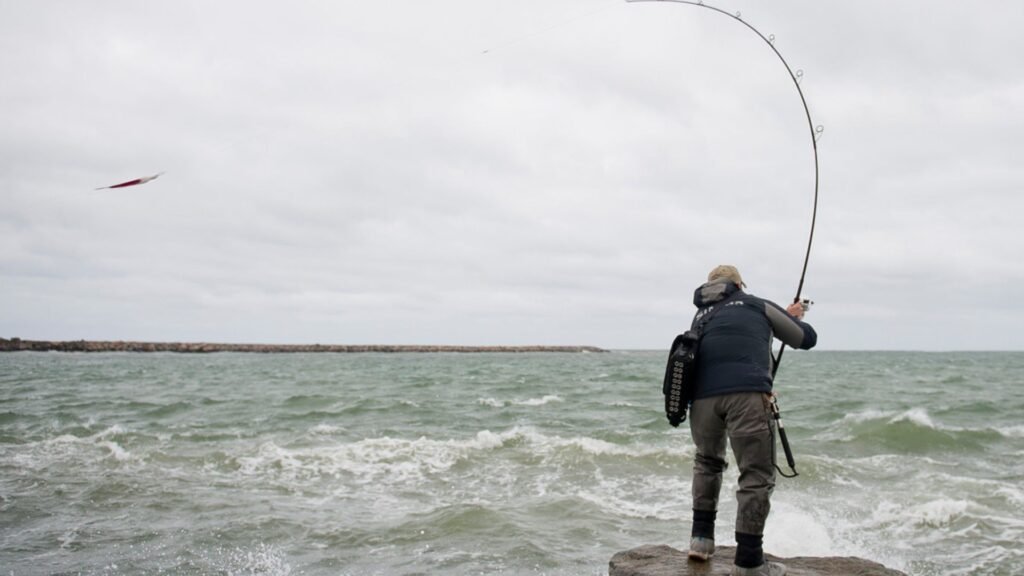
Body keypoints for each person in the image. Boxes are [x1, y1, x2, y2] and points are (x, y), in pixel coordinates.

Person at [685, 265, 817, 576]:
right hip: (746, 396)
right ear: (739, 284)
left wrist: (778, 318)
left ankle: (701, 542)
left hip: (701, 401)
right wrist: (794, 318)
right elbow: (805, 339)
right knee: (756, 475)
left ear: (712, 288)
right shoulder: (756, 303)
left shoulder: (702, 316)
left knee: (707, 462)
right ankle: (749, 561)